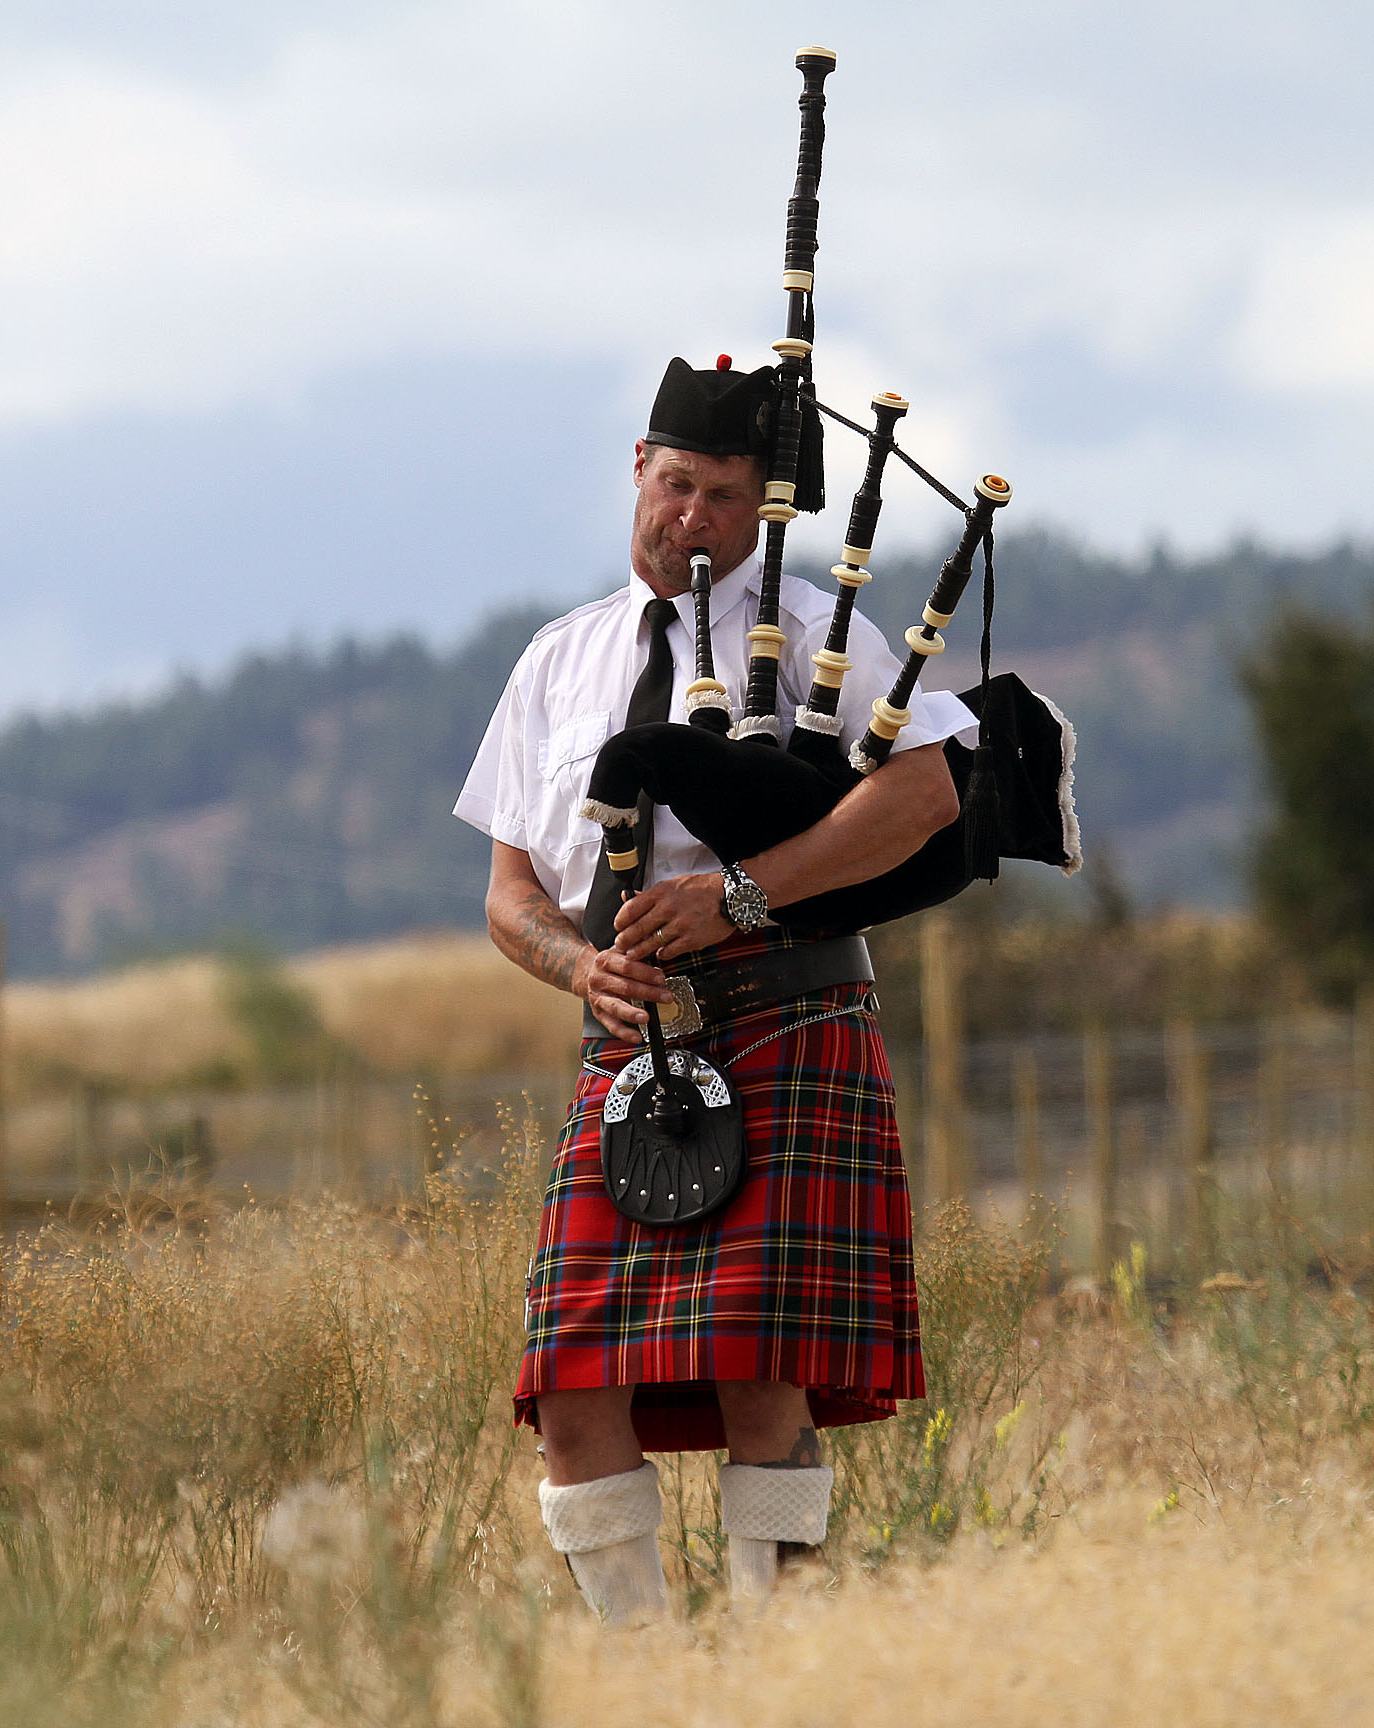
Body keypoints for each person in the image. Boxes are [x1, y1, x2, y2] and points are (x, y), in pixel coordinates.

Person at [452, 355, 975, 1624]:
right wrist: (583, 964)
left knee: (758, 1373)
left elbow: (929, 794)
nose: (690, 518)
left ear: (765, 507)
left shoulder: (813, 635)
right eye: (675, 483)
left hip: (790, 1012)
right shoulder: (558, 659)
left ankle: (771, 1671)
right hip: (626, 1044)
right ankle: (646, 1684)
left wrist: (742, 897)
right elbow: (509, 894)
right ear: (638, 468)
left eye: (724, 497)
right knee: (570, 1386)